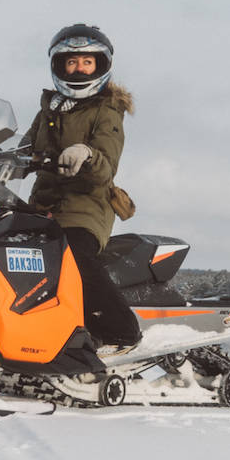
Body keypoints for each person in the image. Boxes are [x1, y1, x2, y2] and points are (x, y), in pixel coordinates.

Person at [20, 23, 140, 351]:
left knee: (70, 255)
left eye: (87, 62)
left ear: (100, 65)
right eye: (71, 62)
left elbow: (106, 164)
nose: (79, 68)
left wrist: (86, 154)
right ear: (59, 66)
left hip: (86, 209)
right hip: (42, 207)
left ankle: (122, 332)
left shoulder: (107, 110)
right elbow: (22, 150)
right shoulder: (48, 110)